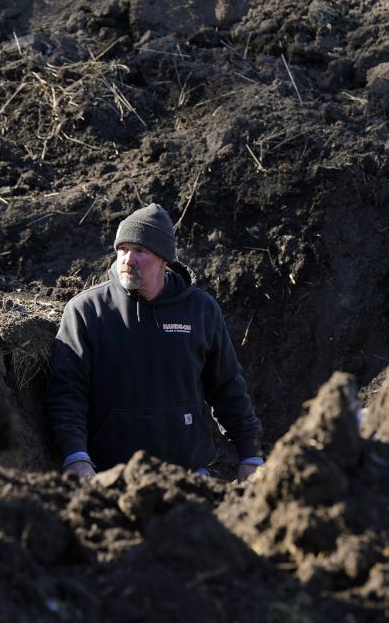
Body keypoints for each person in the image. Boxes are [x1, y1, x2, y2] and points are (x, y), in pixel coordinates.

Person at [46, 203, 263, 482]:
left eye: (139, 251)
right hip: (109, 479)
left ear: (164, 259)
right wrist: (75, 456)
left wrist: (250, 455)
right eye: (122, 249)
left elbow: (227, 387)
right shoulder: (86, 311)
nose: (127, 259)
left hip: (188, 478)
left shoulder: (201, 311)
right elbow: (67, 392)